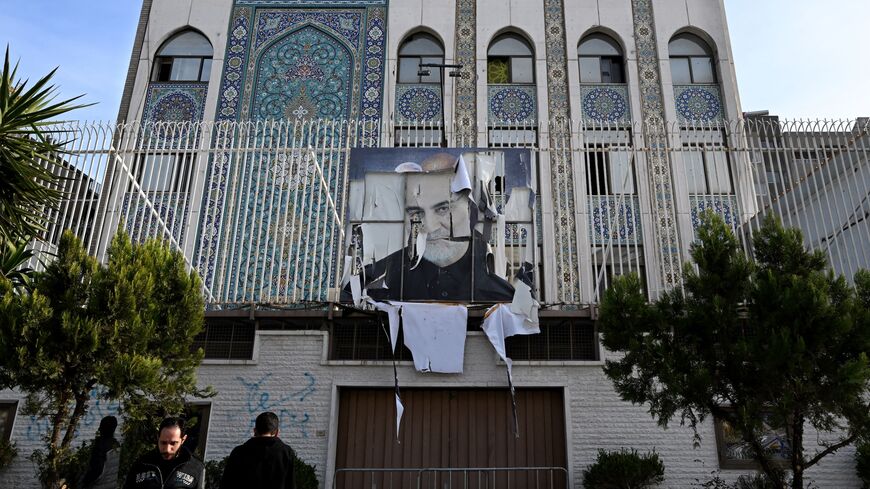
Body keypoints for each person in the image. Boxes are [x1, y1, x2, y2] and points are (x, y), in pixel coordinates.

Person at [357, 153, 514, 302]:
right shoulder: (374, 280)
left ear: (470, 210)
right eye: (416, 212)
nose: (430, 227)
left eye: (443, 209)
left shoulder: (501, 296)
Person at [220, 411, 296, 489]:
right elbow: (290, 484)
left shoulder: (238, 452)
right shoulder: (286, 452)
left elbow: (226, 483)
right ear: (277, 432)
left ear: (255, 431)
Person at [124, 417, 204, 489]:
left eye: (173, 443)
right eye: (163, 442)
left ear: (183, 440)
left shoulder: (196, 467)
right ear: (158, 437)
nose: (167, 449)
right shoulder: (141, 464)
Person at [81, 416, 121, 489]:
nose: (99, 429)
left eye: (101, 426)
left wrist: (85, 482)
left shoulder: (101, 446)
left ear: (104, 429)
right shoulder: (116, 445)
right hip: (111, 485)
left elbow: (97, 470)